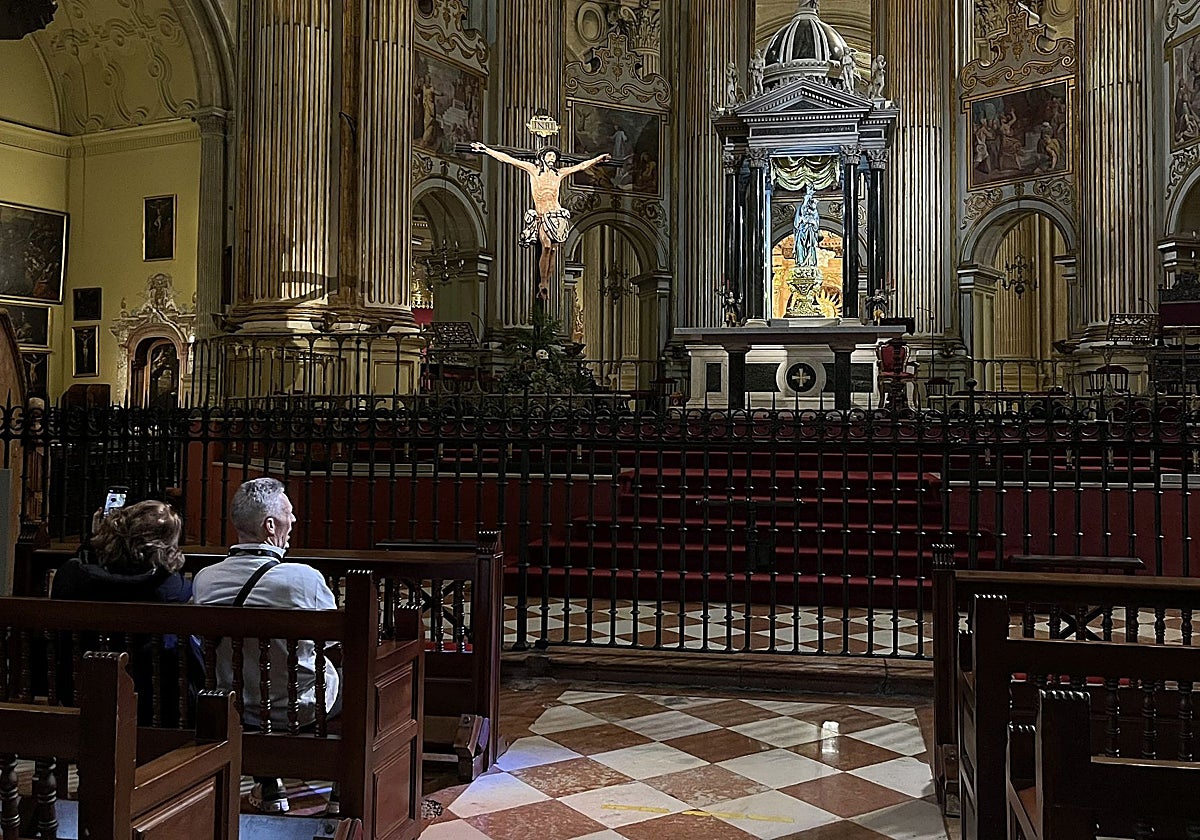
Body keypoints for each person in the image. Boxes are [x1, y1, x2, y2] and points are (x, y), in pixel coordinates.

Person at [191, 477, 340, 814]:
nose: (295, 521)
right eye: (289, 513)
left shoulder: (205, 579)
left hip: (233, 703)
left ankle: (270, 784)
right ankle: (342, 789)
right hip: (300, 707)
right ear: (270, 525)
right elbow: (334, 642)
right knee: (356, 678)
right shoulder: (303, 578)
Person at [51, 500, 194, 723]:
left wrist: (94, 541)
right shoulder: (168, 589)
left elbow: (82, 565)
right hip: (151, 706)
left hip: (81, 694)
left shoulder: (71, 577)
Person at [470, 142, 609, 300]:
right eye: (550, 155)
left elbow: (581, 166)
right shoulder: (533, 170)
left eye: (554, 156)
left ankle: (547, 283)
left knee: (555, 251)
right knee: (547, 246)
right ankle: (542, 282)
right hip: (542, 215)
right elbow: (508, 159)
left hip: (556, 215)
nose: (552, 159)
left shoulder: (559, 174)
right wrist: (486, 150)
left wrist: (597, 159)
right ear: (542, 157)